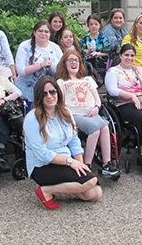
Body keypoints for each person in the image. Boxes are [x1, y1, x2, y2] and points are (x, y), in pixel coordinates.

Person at [24, 76, 102, 210]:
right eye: (44, 94)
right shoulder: (32, 119)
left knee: (95, 193)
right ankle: (46, 191)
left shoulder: (65, 112)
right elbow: (43, 154)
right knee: (91, 181)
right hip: (42, 166)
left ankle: (59, 188)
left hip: (65, 161)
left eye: (52, 92)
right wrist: (71, 162)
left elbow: (74, 142)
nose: (49, 96)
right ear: (38, 97)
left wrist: (81, 165)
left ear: (58, 93)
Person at [56, 50, 120, 178]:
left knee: (105, 127)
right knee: (95, 130)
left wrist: (96, 107)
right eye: (70, 60)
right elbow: (60, 103)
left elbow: (97, 98)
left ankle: (106, 163)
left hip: (91, 112)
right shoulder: (61, 82)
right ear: (64, 64)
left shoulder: (88, 79)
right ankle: (87, 165)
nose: (74, 62)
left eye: (76, 60)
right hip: (74, 114)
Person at [104, 44, 142, 164]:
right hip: (123, 103)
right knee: (141, 117)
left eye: (132, 55)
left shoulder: (140, 70)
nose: (129, 58)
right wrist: (131, 96)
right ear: (121, 56)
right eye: (126, 55)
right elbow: (112, 90)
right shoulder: (113, 71)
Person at [15, 21, 63, 110]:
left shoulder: (55, 48)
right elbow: (21, 71)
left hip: (48, 93)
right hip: (27, 91)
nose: (43, 34)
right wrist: (40, 65)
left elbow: (61, 71)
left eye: (46, 31)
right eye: (40, 31)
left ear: (50, 34)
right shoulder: (24, 46)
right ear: (34, 32)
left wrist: (51, 65)